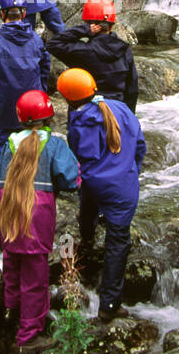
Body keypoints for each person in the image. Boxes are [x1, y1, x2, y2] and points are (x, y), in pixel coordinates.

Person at [0, 90, 80, 353]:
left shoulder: (9, 143)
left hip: (6, 206)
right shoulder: (54, 145)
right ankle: (29, 335)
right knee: (35, 275)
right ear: (49, 116)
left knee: (12, 262)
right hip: (36, 211)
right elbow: (69, 179)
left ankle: (12, 312)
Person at [58, 68, 146, 322]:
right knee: (118, 244)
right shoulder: (120, 107)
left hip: (94, 184)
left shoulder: (78, 120)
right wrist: (131, 169)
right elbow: (139, 145)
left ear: (70, 99)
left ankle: (86, 238)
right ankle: (109, 304)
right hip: (123, 187)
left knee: (88, 202)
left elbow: (78, 156)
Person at [0, 0, 51, 157]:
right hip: (33, 101)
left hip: (4, 102)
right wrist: (42, 91)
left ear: (2, 13)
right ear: (23, 14)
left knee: (2, 139)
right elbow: (45, 67)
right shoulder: (35, 39)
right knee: (34, 138)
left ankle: (0, 178)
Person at [46, 0, 139, 111]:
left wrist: (85, 30)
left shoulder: (84, 51)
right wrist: (128, 116)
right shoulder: (125, 50)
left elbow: (53, 44)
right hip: (118, 110)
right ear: (112, 25)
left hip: (90, 112)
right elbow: (132, 90)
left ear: (90, 24)